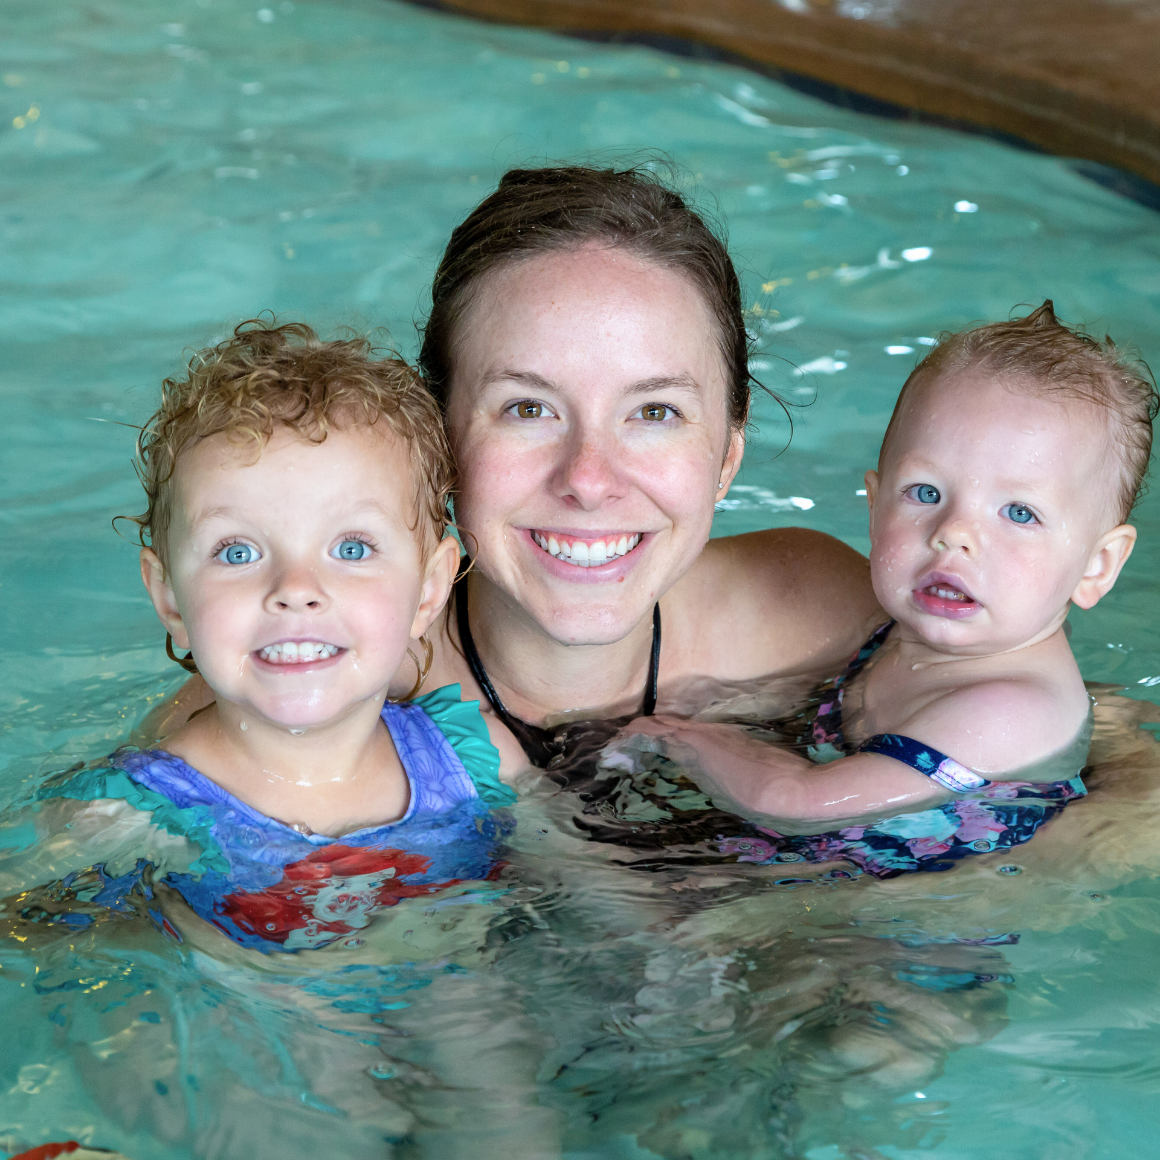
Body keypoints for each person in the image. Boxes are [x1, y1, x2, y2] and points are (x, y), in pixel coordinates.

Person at [142, 164, 884, 772]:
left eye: (654, 412)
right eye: (528, 409)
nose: (589, 480)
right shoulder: (296, 696)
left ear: (725, 458)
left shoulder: (824, 617)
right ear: (438, 443)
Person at [3, 320, 518, 953]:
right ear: (168, 596)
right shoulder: (129, 810)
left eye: (351, 547)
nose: (296, 587)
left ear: (430, 590)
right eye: (238, 551)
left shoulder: (472, 759)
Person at [624, 302, 1157, 874]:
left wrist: (674, 735)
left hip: (904, 942)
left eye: (1019, 513)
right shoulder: (912, 644)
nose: (954, 534)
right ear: (875, 509)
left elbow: (800, 802)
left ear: (1097, 566)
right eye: (925, 493)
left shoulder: (1012, 708)